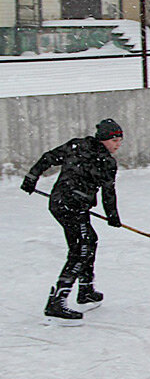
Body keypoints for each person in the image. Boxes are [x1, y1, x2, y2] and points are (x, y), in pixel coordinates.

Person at [21, 118, 124, 323]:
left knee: (89, 240)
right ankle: (57, 301)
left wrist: (32, 177)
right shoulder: (105, 161)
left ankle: (86, 289)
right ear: (104, 139)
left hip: (64, 203)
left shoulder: (77, 146)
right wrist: (112, 216)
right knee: (81, 248)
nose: (118, 144)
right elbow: (108, 193)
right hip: (70, 206)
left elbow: (47, 158)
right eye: (115, 140)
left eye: (120, 140)